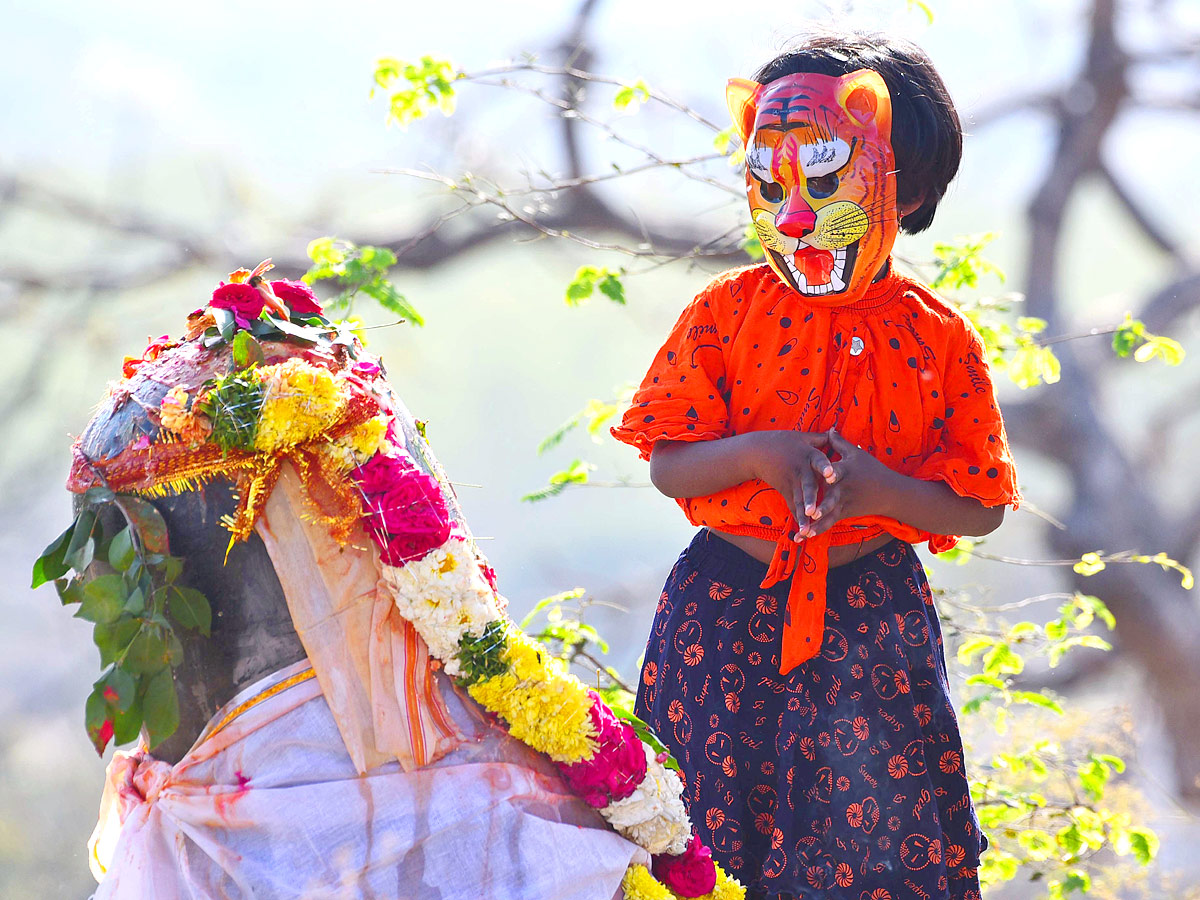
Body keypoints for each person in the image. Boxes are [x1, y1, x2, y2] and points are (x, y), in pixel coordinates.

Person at [610, 31, 1019, 900]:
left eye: (825, 179)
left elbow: (979, 504)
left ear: (903, 186)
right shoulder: (721, 313)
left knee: (878, 862)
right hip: (719, 624)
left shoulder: (939, 337)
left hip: (873, 630)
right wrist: (761, 452)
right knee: (699, 852)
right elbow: (670, 465)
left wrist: (876, 489)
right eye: (768, 181)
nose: (791, 212)